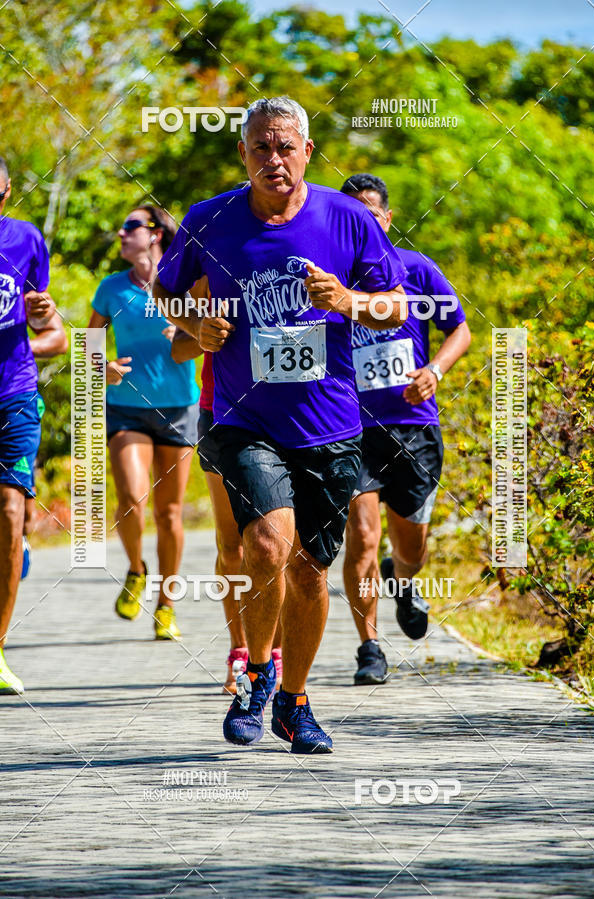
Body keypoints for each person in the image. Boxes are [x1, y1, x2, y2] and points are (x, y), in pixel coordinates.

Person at [154, 97, 407, 753]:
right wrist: (190, 323)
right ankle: (256, 675)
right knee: (266, 546)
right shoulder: (210, 219)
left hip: (329, 426)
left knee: (308, 571)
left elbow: (396, 304)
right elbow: (165, 287)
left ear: (308, 151)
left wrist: (348, 301)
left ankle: (293, 698)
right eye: (261, 147)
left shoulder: (348, 218)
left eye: (285, 146)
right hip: (244, 420)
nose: (274, 158)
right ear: (243, 153)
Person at [340, 173, 471, 685]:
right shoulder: (329, 279)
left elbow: (459, 327)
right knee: (363, 538)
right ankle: (369, 647)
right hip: (352, 428)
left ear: (387, 219)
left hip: (414, 425)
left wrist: (434, 371)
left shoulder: (415, 269)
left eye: (370, 215)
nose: (362, 225)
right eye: (351, 217)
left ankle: (403, 578)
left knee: (409, 547)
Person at [88, 205, 199, 640]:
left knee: (170, 513)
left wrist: (186, 334)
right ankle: (136, 569)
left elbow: (209, 335)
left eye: (131, 226)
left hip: (178, 408)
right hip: (127, 407)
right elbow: (91, 342)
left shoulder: (181, 281)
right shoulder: (112, 288)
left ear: (155, 235)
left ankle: (167, 604)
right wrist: (105, 366)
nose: (122, 232)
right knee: (132, 499)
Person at [171, 268, 283, 694]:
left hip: (286, 415)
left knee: (281, 546)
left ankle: (272, 651)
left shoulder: (300, 266)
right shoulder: (206, 281)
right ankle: (240, 652)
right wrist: (202, 332)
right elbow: (180, 351)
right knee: (232, 546)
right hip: (220, 414)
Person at [0, 156, 65, 693]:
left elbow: (49, 325)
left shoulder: (26, 239)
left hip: (14, 392)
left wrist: (41, 311)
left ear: (7, 190)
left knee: (9, 509)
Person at [21, 314, 69, 579]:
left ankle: (20, 537)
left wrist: (18, 348)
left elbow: (57, 338)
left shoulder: (19, 280)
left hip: (16, 403)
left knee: (19, 505)